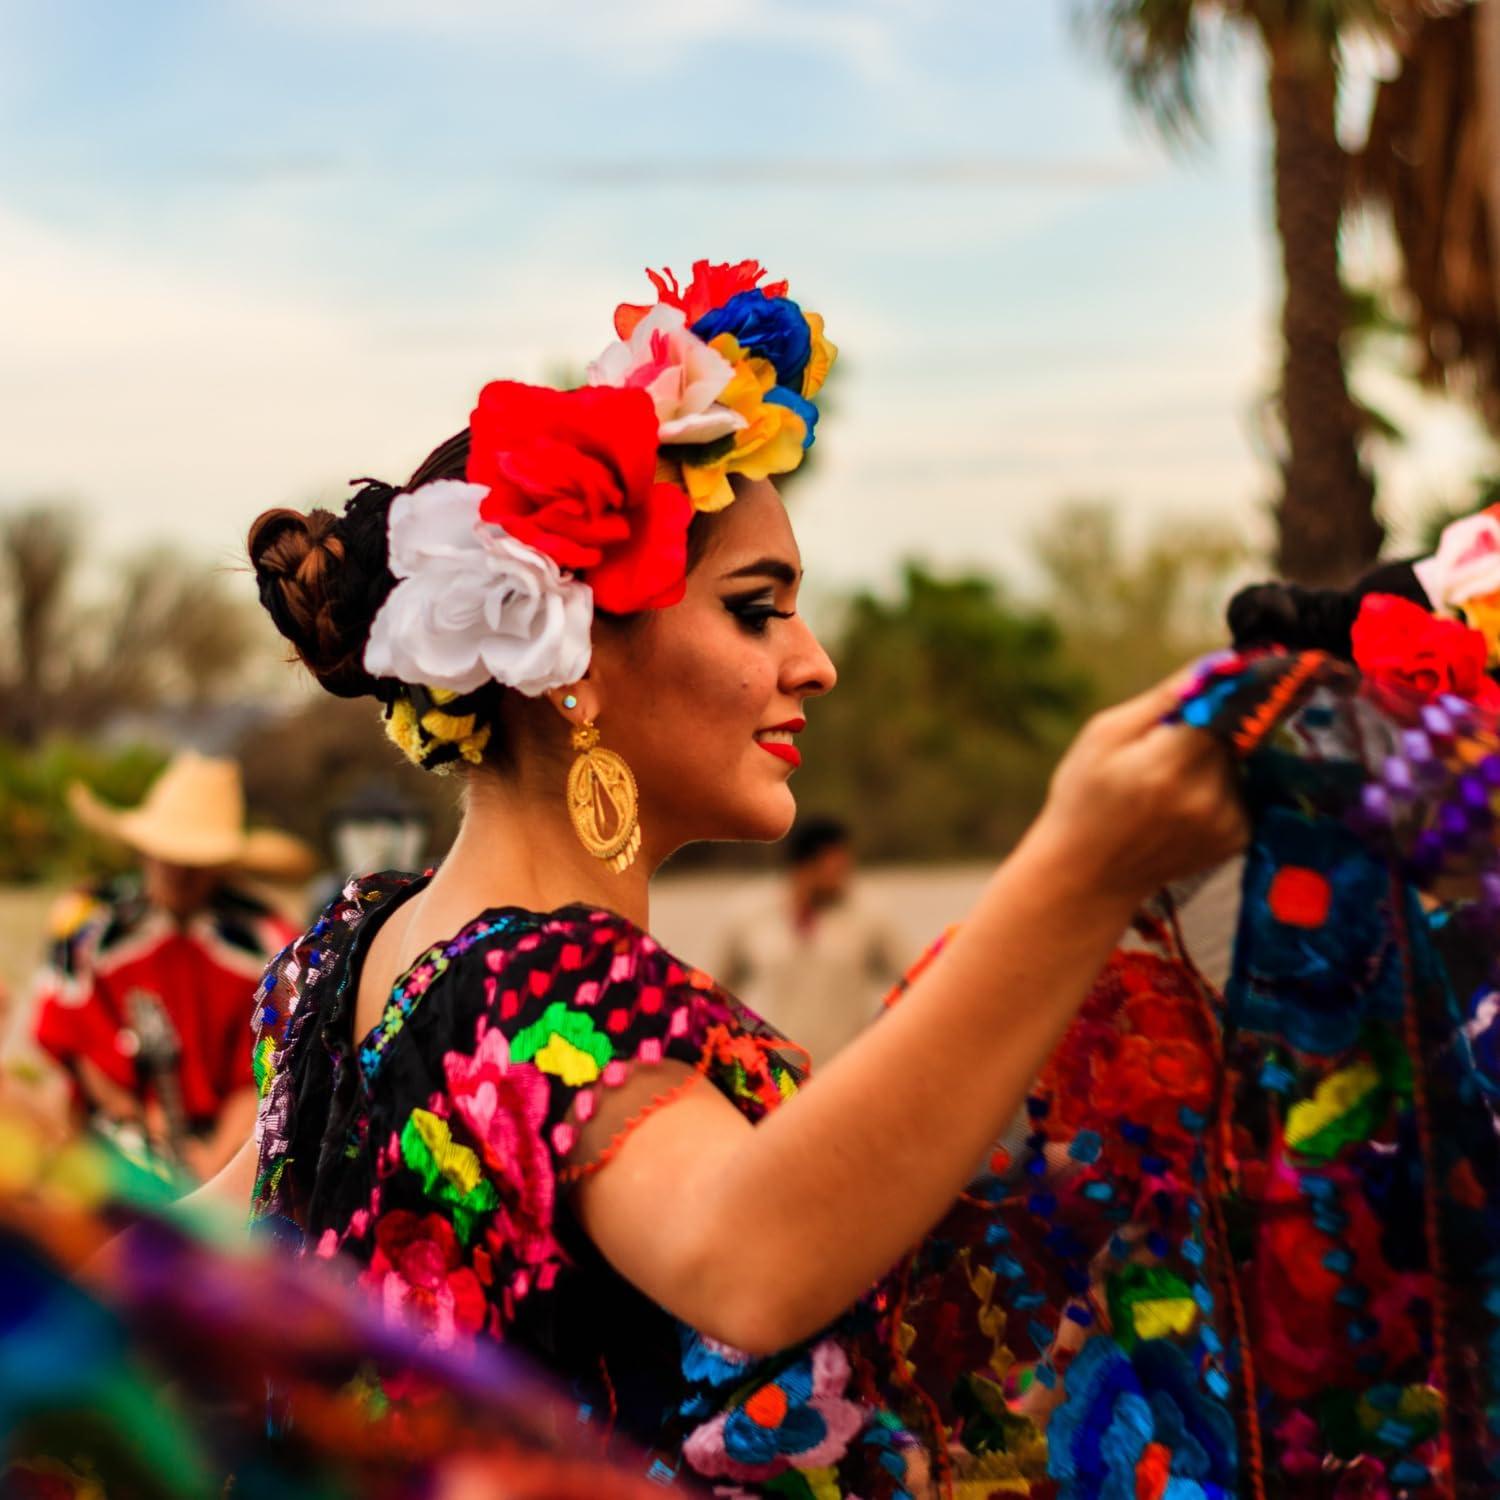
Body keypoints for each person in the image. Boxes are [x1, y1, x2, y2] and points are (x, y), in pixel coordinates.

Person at [217, 259, 1244, 1497]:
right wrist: (1080, 872)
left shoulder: (344, 953)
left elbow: (190, 1240)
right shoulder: (548, 992)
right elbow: (750, 1259)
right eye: (758, 610)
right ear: (571, 662)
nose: (813, 663)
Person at [29, 750, 312, 1181]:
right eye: (165, 855)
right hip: (117, 1135)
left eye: (193, 862)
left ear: (222, 865)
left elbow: (264, 1074)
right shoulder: (92, 929)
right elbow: (78, 1045)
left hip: (235, 1146)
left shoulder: (269, 944)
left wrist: (217, 1163)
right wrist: (151, 1136)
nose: (176, 872)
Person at [714, 815, 908, 1066]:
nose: (845, 874)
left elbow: (915, 983)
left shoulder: (870, 915)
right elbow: (718, 993)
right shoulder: (749, 914)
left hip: (848, 1070)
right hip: (774, 1073)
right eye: (836, 866)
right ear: (805, 865)